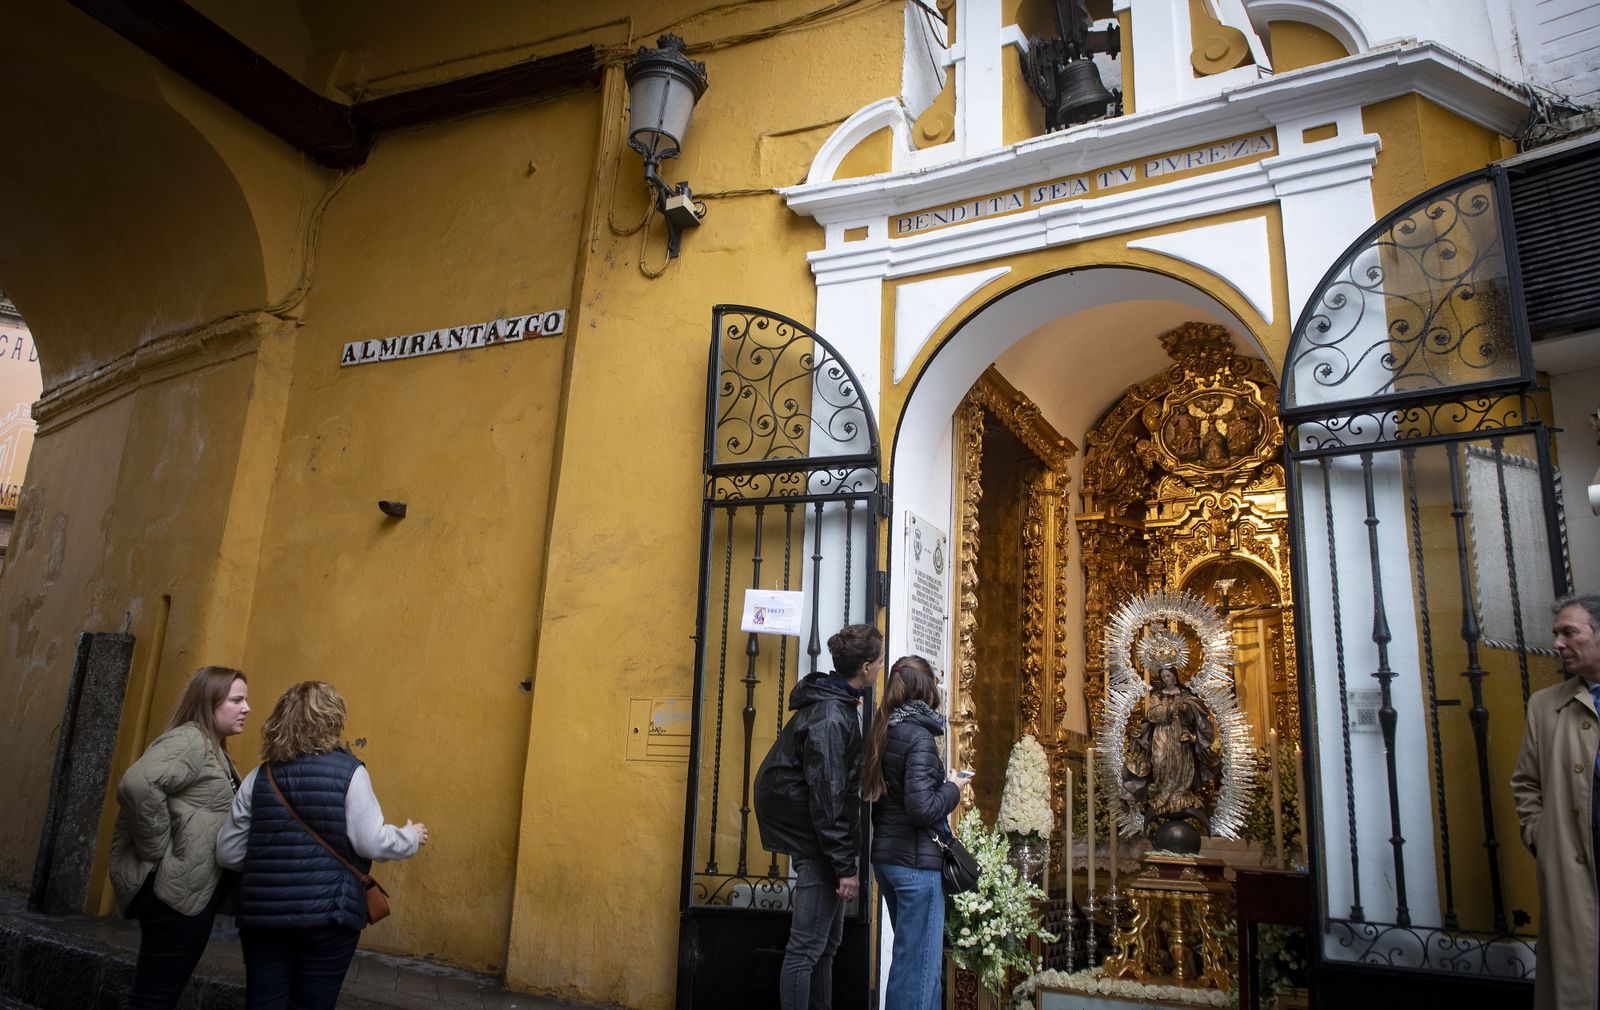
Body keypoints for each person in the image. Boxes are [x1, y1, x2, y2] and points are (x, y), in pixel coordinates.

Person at [217, 681, 428, 1010]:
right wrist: (410, 837)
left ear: (280, 720)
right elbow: (370, 842)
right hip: (328, 915)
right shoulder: (350, 773)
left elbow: (228, 853)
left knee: (264, 1001)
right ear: (332, 720)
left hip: (263, 917)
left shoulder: (260, 776)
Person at [754, 623, 883, 1010]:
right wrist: (845, 865)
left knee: (825, 946)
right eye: (877, 660)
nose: (880, 666)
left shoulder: (839, 705)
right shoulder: (831, 715)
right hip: (819, 846)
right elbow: (827, 795)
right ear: (864, 667)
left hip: (824, 843)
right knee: (806, 949)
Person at [109, 665, 251, 1010]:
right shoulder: (190, 740)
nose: (246, 708)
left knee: (158, 995)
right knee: (152, 999)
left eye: (245, 700)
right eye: (236, 700)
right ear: (209, 701)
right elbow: (137, 784)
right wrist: (157, 847)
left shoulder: (212, 746)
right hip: (172, 895)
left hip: (187, 894)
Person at [861, 655, 968, 1010]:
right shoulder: (918, 737)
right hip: (916, 864)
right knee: (919, 970)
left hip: (889, 860)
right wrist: (953, 787)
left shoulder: (883, 729)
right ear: (925, 690)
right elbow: (921, 808)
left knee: (911, 962)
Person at [1512, 593, 1600, 1010]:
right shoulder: (1545, 706)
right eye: (1556, 634)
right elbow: (1526, 784)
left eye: (1570, 632)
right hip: (1571, 867)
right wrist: (1542, 838)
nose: (1559, 643)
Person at [1121, 663, 1218, 826]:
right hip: (1162, 733)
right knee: (1159, 761)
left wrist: (1185, 707)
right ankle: (1162, 793)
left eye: (1169, 675)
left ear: (1175, 675)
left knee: (1181, 763)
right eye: (1163, 676)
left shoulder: (1185, 694)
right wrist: (1169, 708)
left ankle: (1181, 793)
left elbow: (1196, 711)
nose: (1166, 679)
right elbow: (1152, 714)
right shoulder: (1157, 695)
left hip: (1180, 733)